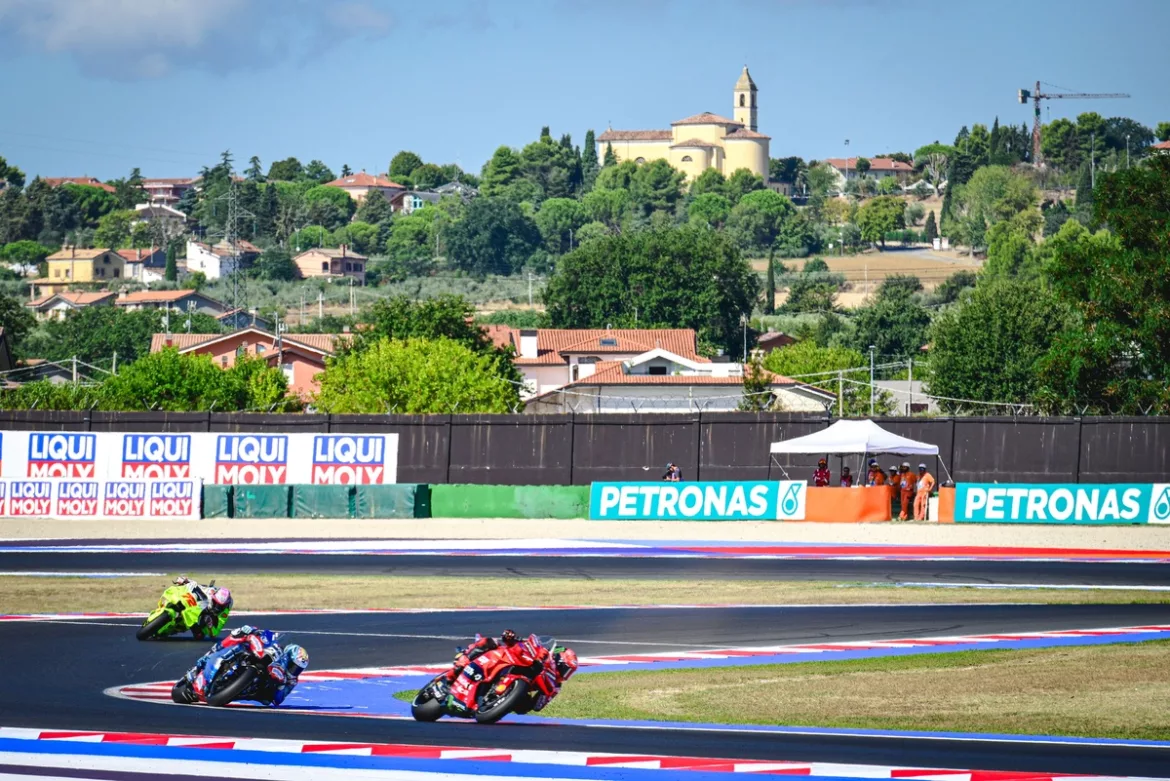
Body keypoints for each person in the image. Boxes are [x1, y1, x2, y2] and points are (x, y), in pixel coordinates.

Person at [196, 625, 309, 707]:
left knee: (266, 700)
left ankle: (233, 691)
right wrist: (258, 635)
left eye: (298, 669)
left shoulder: (292, 680)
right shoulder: (280, 651)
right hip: (261, 660)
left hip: (259, 690)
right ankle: (213, 655)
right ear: (288, 656)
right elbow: (268, 636)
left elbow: (278, 700)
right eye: (293, 666)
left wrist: (280, 684)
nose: (294, 671)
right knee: (241, 641)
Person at [446, 629, 520, 681]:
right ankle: (462, 663)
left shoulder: (515, 649)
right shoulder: (496, 645)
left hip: (495, 669)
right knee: (491, 642)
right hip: (481, 661)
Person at [532, 647, 579, 712]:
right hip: (530, 663)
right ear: (560, 662)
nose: (566, 675)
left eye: (570, 672)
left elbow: (538, 706)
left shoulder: (556, 686)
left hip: (525, 688)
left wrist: (545, 695)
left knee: (523, 709)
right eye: (566, 670)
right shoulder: (548, 653)